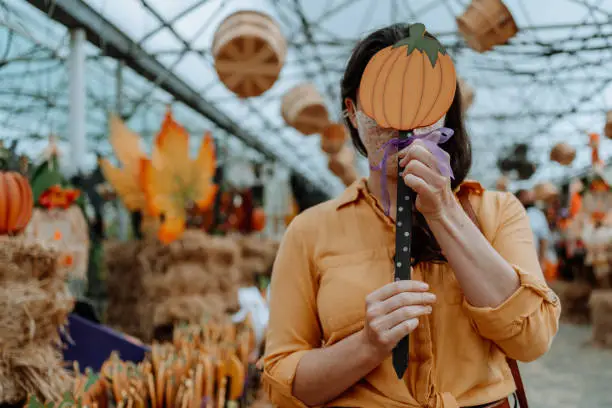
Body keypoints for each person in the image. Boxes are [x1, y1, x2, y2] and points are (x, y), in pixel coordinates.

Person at [262, 24, 561, 408]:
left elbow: (531, 339)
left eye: (424, 96)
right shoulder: (309, 231)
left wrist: (444, 211)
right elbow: (283, 386)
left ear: (445, 113)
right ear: (352, 112)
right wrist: (367, 345)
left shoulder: (498, 212)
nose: (404, 117)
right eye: (382, 97)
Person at [515, 189, 551, 268]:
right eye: (525, 196)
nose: (529, 198)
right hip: (512, 261)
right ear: (517, 198)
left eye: (529, 196)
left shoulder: (537, 215)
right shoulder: (510, 213)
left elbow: (544, 239)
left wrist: (542, 261)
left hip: (532, 261)